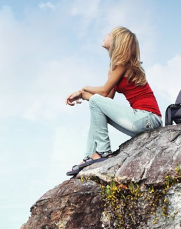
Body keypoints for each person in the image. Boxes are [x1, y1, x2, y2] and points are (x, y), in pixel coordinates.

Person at [65, 27, 162, 176]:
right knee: (96, 105)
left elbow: (102, 92)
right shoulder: (114, 68)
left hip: (148, 118)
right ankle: (90, 155)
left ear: (117, 41)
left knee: (96, 101)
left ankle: (103, 151)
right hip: (141, 122)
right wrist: (82, 95)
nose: (105, 34)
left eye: (110, 33)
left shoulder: (123, 64)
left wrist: (83, 89)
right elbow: (106, 100)